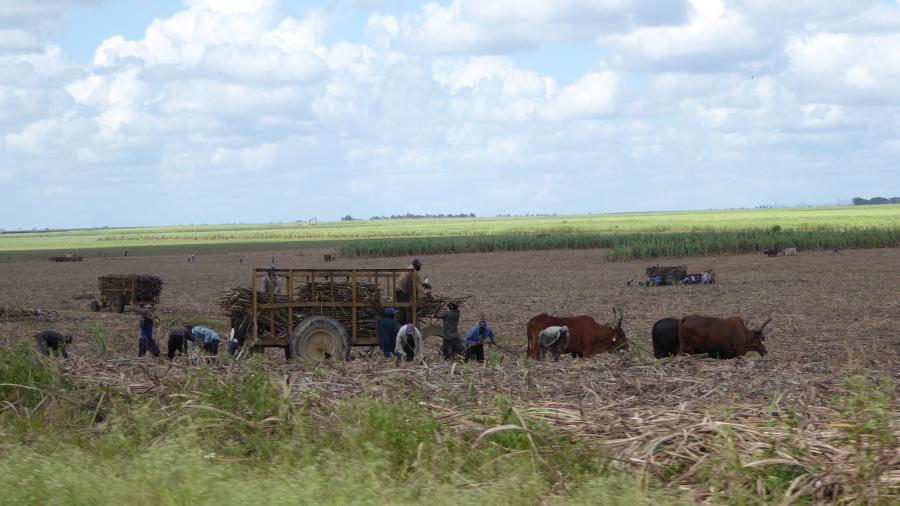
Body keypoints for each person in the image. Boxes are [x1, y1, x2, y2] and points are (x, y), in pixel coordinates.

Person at [395, 258, 426, 323]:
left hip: (399, 291)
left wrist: (423, 284)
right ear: (415, 265)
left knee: (403, 309)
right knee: (410, 309)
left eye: (420, 265)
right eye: (419, 265)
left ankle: (403, 323)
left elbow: (417, 282)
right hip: (402, 292)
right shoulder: (413, 271)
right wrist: (426, 293)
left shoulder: (411, 268)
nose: (420, 267)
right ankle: (409, 324)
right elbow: (417, 286)